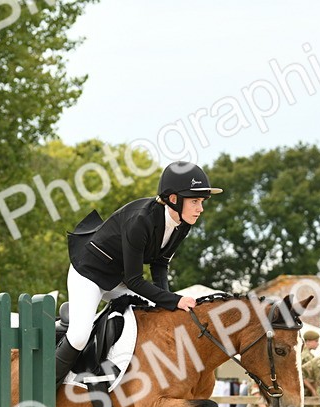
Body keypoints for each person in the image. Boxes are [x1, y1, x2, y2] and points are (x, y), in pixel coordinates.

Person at [56, 161, 222, 384]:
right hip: (90, 275)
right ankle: (43, 388)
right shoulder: (140, 221)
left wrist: (169, 306)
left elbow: (160, 265)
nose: (200, 208)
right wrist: (175, 300)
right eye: (194, 201)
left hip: (120, 279)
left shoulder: (182, 223)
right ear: (174, 199)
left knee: (154, 318)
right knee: (78, 336)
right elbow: (135, 280)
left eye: (201, 202)